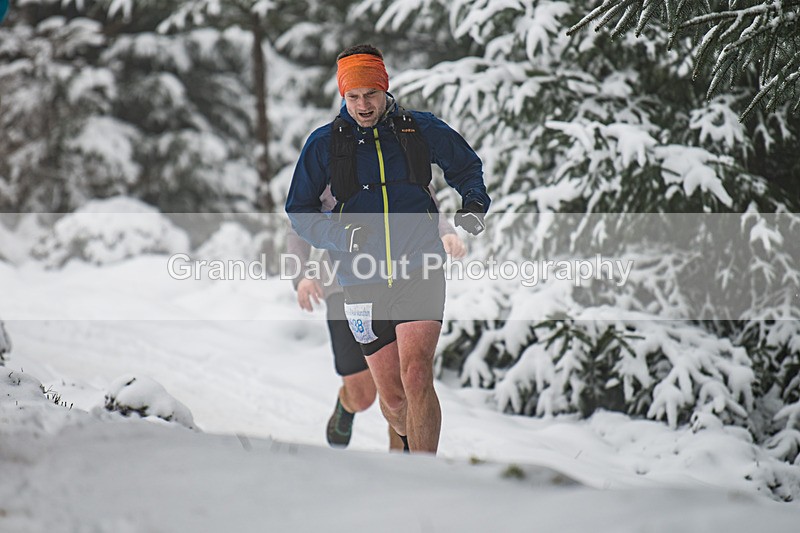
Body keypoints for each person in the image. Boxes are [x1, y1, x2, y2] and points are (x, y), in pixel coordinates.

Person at [286, 43, 489, 454]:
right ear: (344, 96)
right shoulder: (325, 144)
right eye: (353, 96)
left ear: (385, 89)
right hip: (360, 280)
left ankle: (423, 478)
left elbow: (466, 166)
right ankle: (403, 447)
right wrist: (339, 240)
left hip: (420, 267)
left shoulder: (418, 129)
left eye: (371, 94)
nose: (363, 105)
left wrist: (473, 205)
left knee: (417, 375)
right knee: (394, 401)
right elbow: (300, 211)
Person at [286, 185, 466, 451]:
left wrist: (447, 233)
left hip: (404, 281)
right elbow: (299, 222)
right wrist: (301, 275)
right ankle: (347, 404)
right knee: (363, 395)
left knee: (405, 382)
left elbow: (426, 206)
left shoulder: (401, 147)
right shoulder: (330, 154)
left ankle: (404, 466)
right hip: (343, 285)